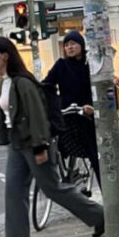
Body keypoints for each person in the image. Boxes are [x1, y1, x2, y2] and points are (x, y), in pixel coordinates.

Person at [0, 36, 104, 237]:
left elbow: (37, 115)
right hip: (17, 142)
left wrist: (40, 146)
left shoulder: (23, 82)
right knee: (13, 192)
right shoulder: (6, 81)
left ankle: (100, 216)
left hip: (34, 141)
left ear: (5, 56)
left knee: (52, 188)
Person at [43, 31, 101, 187]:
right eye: (67, 45)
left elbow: (96, 87)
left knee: (94, 155)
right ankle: (68, 174)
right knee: (57, 144)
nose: (70, 47)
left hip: (85, 114)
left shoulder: (90, 64)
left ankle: (107, 196)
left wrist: (91, 106)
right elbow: (47, 84)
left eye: (73, 44)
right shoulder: (61, 65)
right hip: (66, 113)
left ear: (81, 45)